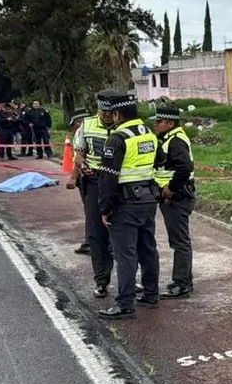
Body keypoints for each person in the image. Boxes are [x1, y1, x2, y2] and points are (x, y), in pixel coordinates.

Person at [95, 90, 161, 318]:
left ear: (117, 114)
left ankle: (125, 304)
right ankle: (151, 294)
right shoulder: (149, 133)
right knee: (148, 249)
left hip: (125, 204)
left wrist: (105, 209)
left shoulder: (118, 139)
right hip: (148, 200)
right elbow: (160, 160)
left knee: (125, 255)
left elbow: (108, 177)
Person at [151, 105, 195, 298]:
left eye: (158, 122)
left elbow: (184, 168)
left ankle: (181, 284)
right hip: (175, 197)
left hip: (177, 197)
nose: (155, 125)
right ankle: (184, 280)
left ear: (170, 123)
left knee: (179, 241)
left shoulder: (175, 141)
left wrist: (171, 188)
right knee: (178, 240)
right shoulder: (171, 138)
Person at [77, 100, 118, 292]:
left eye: (111, 112)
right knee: (97, 233)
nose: (108, 115)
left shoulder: (124, 126)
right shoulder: (87, 125)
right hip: (95, 181)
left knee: (125, 234)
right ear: (98, 110)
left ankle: (130, 279)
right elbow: (79, 154)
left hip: (119, 183)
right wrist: (82, 165)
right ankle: (101, 281)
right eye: (104, 112)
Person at [66, 111, 93, 255]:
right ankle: (91, 242)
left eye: (72, 126)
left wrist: (73, 177)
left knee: (91, 211)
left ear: (77, 122)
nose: (72, 129)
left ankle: (91, 243)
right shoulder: (96, 130)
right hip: (96, 176)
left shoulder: (81, 132)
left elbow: (79, 157)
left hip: (86, 176)